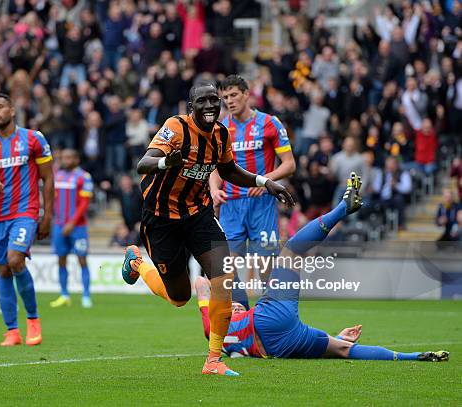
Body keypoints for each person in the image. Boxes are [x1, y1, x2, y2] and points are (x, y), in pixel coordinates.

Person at [120, 82, 295, 376]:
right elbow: (143, 164)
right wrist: (166, 161)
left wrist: (265, 182)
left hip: (198, 215)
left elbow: (228, 171)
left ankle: (213, 360)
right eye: (204, 101)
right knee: (179, 297)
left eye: (215, 100)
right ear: (192, 107)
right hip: (162, 219)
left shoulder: (221, 134)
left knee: (223, 278)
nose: (211, 105)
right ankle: (137, 261)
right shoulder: (175, 127)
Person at [196, 173, 448, 363]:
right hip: (267, 320)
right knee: (292, 252)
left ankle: (412, 356)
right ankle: (342, 208)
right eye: (234, 307)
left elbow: (203, 288)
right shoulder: (216, 326)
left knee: (343, 348)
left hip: (278, 345)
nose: (236, 306)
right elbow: (201, 286)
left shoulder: (218, 337)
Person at [0, 92, 54, 347]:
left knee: (15, 259)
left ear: (12, 110)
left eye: (0, 107)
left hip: (25, 211)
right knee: (3, 268)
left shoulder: (33, 139)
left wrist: (47, 216)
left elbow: (48, 179)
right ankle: (12, 331)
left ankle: (33, 320)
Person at [209, 75, 296, 285]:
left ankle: (270, 314)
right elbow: (215, 168)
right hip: (231, 205)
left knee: (265, 269)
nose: (229, 101)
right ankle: (238, 313)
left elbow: (289, 165)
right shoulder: (220, 129)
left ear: (246, 94)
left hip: (261, 204)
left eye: (233, 95)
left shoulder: (269, 123)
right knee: (227, 268)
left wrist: (263, 181)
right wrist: (214, 189)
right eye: (225, 97)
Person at [49, 149, 94, 309]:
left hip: (77, 227)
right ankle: (64, 295)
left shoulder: (84, 177)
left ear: (76, 159)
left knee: (82, 259)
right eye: (63, 158)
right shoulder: (58, 175)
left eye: (69, 157)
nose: (65, 160)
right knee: (61, 259)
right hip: (59, 225)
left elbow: (84, 203)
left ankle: (86, 295)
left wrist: (72, 223)